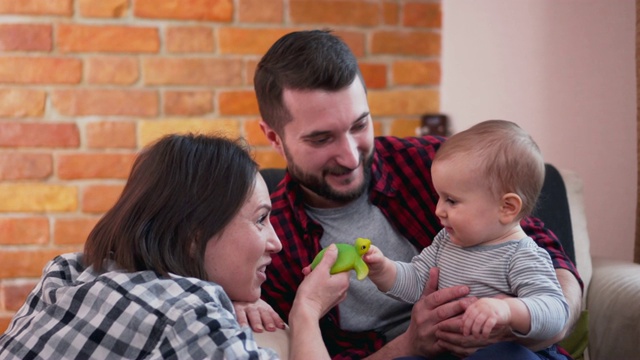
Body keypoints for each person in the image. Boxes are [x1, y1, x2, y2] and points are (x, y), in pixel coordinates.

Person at [246, 29, 584, 360]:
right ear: (274, 138)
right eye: (321, 139)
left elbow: (542, 252)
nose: (351, 157)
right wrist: (408, 344)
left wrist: (524, 322)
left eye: (360, 125)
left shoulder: (439, 166)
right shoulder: (271, 240)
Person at [0, 133, 349, 359]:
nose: (276, 242)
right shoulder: (190, 318)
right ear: (194, 234)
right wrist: (307, 309)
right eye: (260, 219)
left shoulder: (66, 271)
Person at [364, 120, 570, 359]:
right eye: (438, 197)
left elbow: (556, 312)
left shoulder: (521, 255)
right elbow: (417, 282)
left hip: (507, 351)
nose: (439, 210)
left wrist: (507, 309)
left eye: (451, 200)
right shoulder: (445, 242)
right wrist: (383, 269)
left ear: (507, 208)